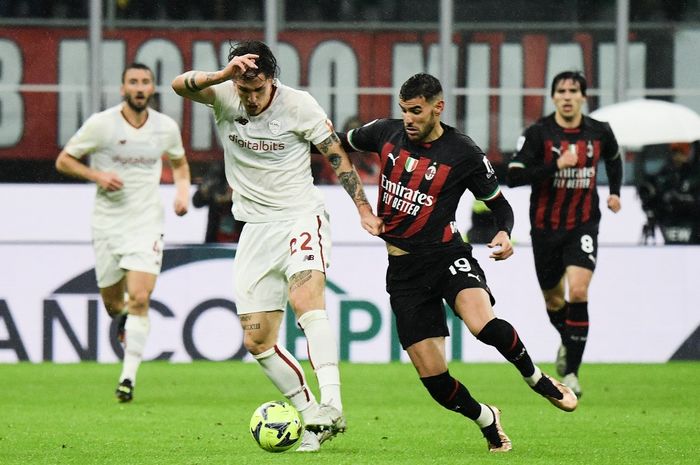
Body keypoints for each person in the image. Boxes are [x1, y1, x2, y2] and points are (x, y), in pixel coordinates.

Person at [337, 73, 577, 453]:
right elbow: (331, 144)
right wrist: (362, 206)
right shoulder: (384, 133)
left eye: (416, 111)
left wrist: (503, 233)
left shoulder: (462, 152)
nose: (408, 119)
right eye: (404, 111)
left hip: (448, 256)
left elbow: (501, 206)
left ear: (438, 107)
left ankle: (537, 380)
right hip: (404, 273)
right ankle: (487, 418)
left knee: (483, 324)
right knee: (435, 380)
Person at [171, 40, 382, 452]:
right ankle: (311, 419)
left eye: (258, 88)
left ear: (272, 79)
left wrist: (363, 208)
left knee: (307, 301)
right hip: (255, 227)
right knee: (257, 340)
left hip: (300, 216)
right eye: (245, 89)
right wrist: (223, 75)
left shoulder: (299, 105)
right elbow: (180, 85)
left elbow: (335, 153)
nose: (250, 98)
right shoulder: (224, 94)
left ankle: (333, 403)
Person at [55, 62, 191, 402]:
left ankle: (127, 380)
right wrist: (98, 177)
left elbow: (179, 163)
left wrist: (181, 193)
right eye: (133, 82)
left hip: (147, 222)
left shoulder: (165, 127)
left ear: (153, 88)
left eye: (145, 82)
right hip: (107, 224)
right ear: (122, 89)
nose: (140, 87)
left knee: (141, 298)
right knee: (115, 304)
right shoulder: (102, 125)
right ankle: (125, 321)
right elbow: (64, 160)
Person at [506, 70, 623, 398]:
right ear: (553, 96)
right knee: (554, 299)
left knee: (579, 291)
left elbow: (614, 160)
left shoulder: (600, 132)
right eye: (562, 90)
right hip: (545, 229)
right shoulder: (539, 133)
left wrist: (615, 192)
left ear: (584, 96)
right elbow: (514, 175)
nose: (568, 96)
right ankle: (569, 342)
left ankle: (571, 371)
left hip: (583, 224)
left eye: (574, 90)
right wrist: (557, 166)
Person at [638, 142, 700, 244]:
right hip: (668, 220)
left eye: (681, 152)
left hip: (692, 222)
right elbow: (653, 196)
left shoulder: (694, 174)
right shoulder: (664, 173)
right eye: (674, 152)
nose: (677, 156)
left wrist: (682, 198)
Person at [192, 160, 244, 243]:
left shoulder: (246, 176)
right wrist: (210, 190)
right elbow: (197, 201)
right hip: (214, 241)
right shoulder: (218, 172)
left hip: (240, 239)